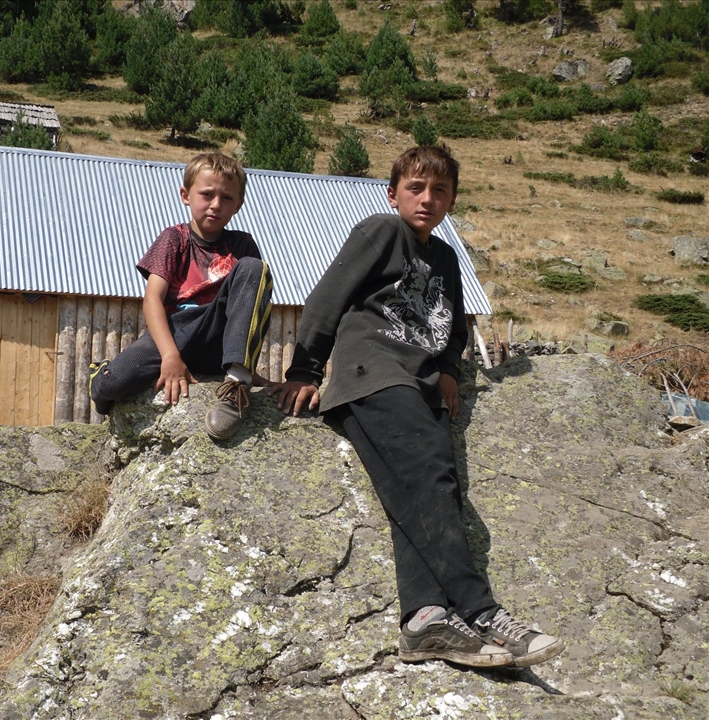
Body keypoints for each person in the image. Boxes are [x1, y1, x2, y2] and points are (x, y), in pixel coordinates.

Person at [270, 145, 564, 669]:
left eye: (440, 190)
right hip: (373, 377)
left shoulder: (448, 258)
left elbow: (455, 326)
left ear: (452, 200)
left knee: (419, 495)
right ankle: (481, 611)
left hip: (421, 388)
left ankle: (425, 620)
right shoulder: (381, 232)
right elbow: (326, 298)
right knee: (434, 478)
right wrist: (305, 371)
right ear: (393, 193)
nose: (427, 199)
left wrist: (450, 370)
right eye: (415, 188)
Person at [89, 152, 273, 441]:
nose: (216, 205)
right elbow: (152, 299)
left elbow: (250, 307)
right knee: (113, 384)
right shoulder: (174, 238)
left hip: (217, 335)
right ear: (186, 195)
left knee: (254, 269)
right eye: (207, 194)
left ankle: (237, 380)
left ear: (239, 204)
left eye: (227, 198)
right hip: (177, 331)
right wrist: (170, 356)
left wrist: (247, 367)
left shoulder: (242, 244)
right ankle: (99, 374)